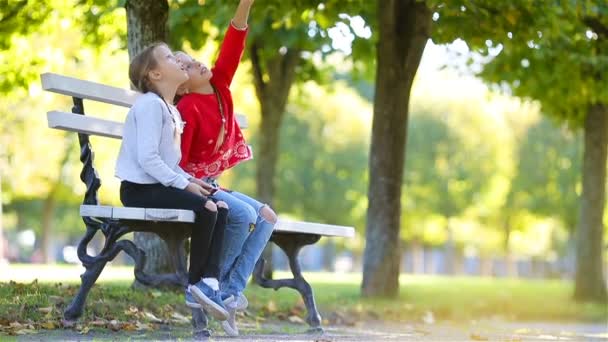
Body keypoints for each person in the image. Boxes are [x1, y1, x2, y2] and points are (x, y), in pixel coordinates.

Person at [175, 0, 277, 336]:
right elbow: (179, 164)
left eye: (194, 60)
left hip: (212, 181)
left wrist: (245, 4)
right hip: (196, 184)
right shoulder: (188, 107)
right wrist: (197, 187)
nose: (197, 64)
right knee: (244, 216)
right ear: (182, 85)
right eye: (188, 67)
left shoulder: (219, 87)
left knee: (266, 216)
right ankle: (210, 285)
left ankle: (230, 291)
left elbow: (234, 43)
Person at [115, 42, 231, 321]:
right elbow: (148, 160)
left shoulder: (171, 110)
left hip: (159, 186)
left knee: (221, 206)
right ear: (155, 75)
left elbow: (170, 165)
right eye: (169, 57)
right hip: (139, 190)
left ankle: (210, 283)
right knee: (207, 208)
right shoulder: (149, 106)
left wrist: (192, 180)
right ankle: (194, 287)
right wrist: (186, 185)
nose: (178, 60)